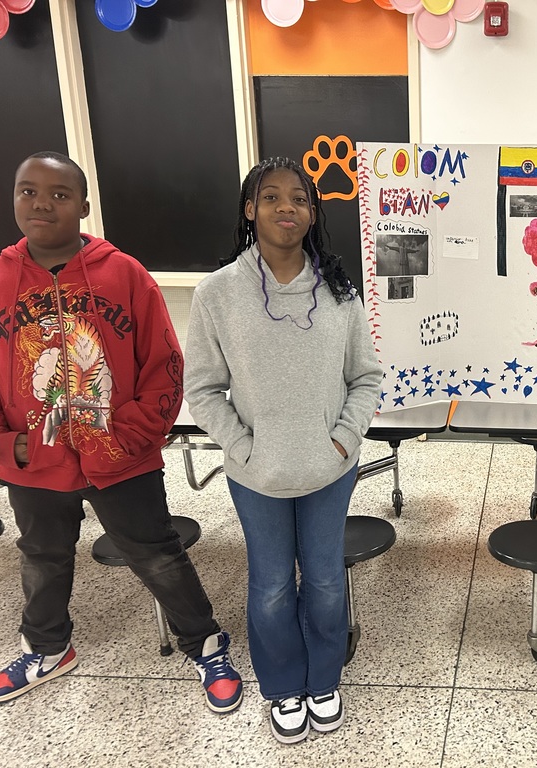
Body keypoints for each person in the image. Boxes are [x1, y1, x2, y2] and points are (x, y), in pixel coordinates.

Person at [0, 152, 243, 713]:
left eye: (58, 194)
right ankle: (47, 648)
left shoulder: (123, 273)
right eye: (28, 191)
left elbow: (164, 366)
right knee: (41, 555)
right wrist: (5, 445)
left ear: (83, 205)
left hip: (121, 459)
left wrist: (132, 436)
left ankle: (205, 644)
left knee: (158, 555)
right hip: (34, 461)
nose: (41, 204)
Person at [184, 157, 383, 744]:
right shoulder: (218, 293)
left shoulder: (340, 290)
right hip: (256, 473)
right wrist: (242, 446)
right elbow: (202, 389)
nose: (286, 208)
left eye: (299, 198)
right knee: (270, 582)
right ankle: (282, 686)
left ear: (313, 212)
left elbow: (366, 377)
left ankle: (324, 679)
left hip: (329, 468)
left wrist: (343, 438)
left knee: (323, 579)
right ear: (250, 210)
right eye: (271, 197)